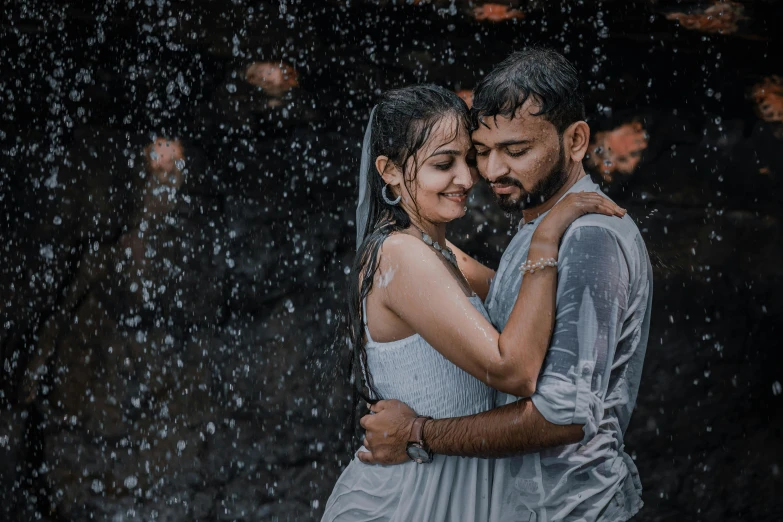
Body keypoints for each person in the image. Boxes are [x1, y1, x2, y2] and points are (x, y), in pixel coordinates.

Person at [358, 48, 653, 521]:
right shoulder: (538, 227)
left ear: (576, 141)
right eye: (483, 153)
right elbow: (497, 300)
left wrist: (417, 433)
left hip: (568, 510)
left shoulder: (589, 234)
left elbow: (563, 415)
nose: (490, 173)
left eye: (515, 151)